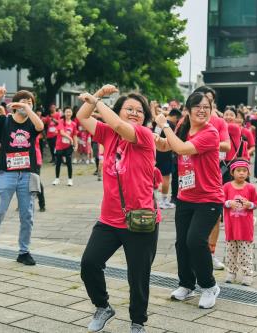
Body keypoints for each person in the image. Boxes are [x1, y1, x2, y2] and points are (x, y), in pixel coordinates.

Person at [77, 85, 159, 333]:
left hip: (140, 219)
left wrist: (96, 101)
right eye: (129, 109)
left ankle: (137, 322)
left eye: (139, 111)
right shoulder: (107, 134)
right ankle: (102, 306)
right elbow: (82, 117)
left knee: (138, 275)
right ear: (118, 110)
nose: (135, 113)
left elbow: (122, 127)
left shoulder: (143, 134)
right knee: (89, 263)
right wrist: (98, 96)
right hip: (110, 219)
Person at [154, 91, 223, 309]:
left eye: (207, 107)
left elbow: (182, 148)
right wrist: (152, 133)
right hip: (186, 195)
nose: (202, 110)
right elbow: (167, 145)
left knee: (195, 241)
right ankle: (186, 284)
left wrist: (164, 125)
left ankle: (209, 286)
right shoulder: (184, 126)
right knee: (182, 243)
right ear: (188, 108)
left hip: (209, 198)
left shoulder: (210, 132)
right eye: (198, 106)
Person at [0, 87, 44, 268]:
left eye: (30, 102)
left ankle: (24, 251)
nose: (26, 105)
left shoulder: (32, 123)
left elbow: (40, 126)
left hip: (27, 174)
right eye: (23, 101)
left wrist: (28, 108)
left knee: (27, 215)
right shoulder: (4, 121)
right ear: (15, 105)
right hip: (5, 174)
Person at [193, 86, 230, 271]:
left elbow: (227, 146)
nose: (203, 107)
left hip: (212, 174)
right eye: (200, 102)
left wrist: (205, 143)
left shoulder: (219, 122)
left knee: (214, 218)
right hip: (190, 176)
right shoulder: (187, 120)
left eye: (208, 102)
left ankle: (211, 253)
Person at [223, 159, 257, 286]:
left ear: (248, 173)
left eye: (244, 171)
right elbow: (221, 200)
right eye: (238, 171)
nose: (242, 173)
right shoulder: (226, 187)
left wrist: (249, 205)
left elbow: (256, 204)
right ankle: (231, 272)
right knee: (230, 252)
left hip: (245, 227)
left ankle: (247, 274)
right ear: (232, 172)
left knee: (245, 252)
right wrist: (228, 203)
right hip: (231, 227)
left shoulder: (251, 188)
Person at [52, 107, 78, 186]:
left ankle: (70, 180)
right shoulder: (61, 122)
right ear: (64, 113)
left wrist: (76, 145)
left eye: (70, 112)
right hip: (59, 145)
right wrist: (70, 138)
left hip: (68, 146)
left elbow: (75, 135)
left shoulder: (73, 124)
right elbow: (62, 132)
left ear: (72, 113)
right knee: (58, 163)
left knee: (69, 163)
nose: (68, 114)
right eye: (67, 112)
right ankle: (57, 179)